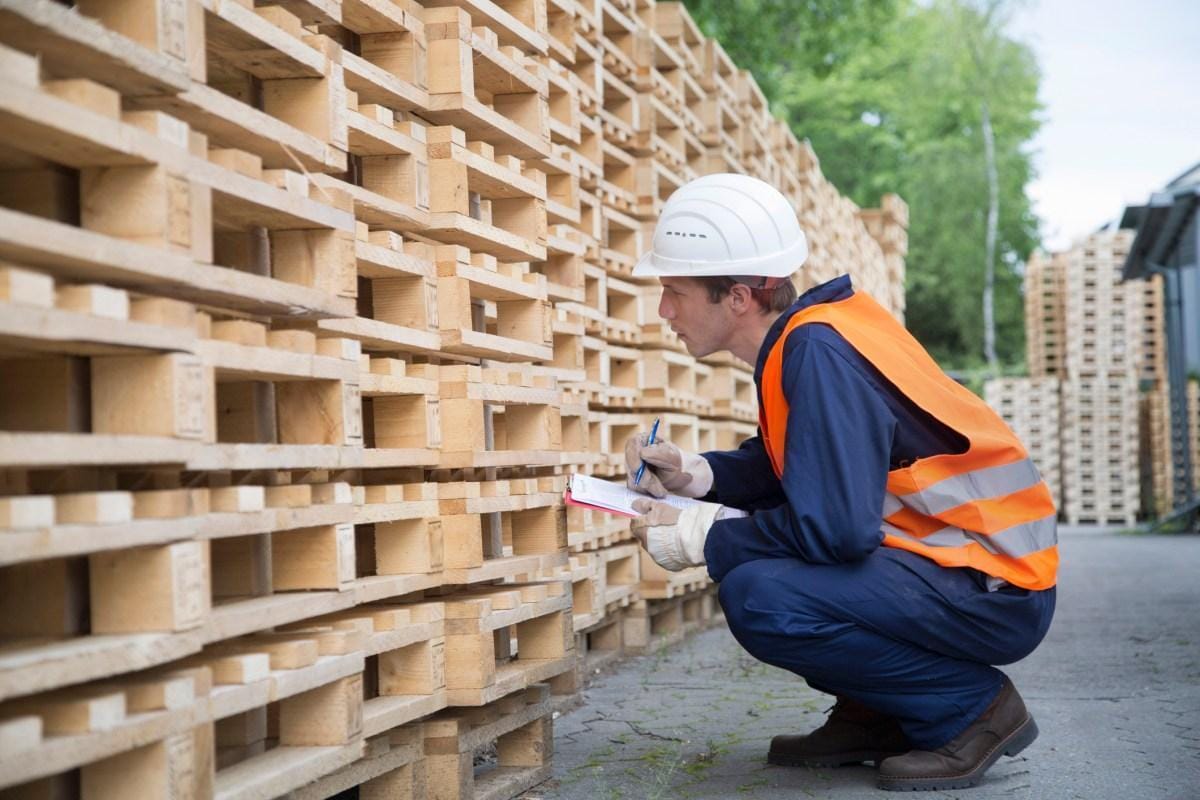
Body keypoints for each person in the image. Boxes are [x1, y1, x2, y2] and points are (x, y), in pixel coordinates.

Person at [623, 173, 1057, 792]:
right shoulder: (810, 338)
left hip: (991, 586)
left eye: (674, 291)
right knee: (768, 580)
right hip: (967, 570)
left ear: (738, 297)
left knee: (763, 596)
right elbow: (803, 465)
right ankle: (881, 715)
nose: (664, 310)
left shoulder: (816, 353)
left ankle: (973, 711)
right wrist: (696, 474)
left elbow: (837, 530)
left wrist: (704, 537)